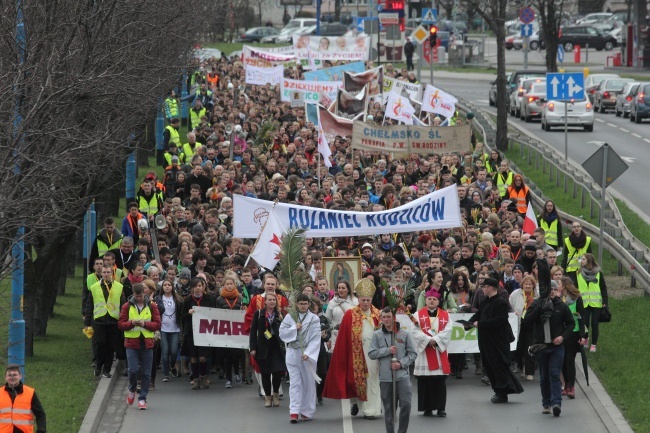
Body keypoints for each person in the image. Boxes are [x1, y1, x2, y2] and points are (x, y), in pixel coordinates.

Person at [323, 278, 382, 420]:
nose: (366, 303)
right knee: (355, 380)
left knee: (373, 379)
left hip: (373, 353)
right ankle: (357, 403)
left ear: (371, 299)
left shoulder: (377, 314)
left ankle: (371, 409)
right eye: (363, 300)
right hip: (356, 353)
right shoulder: (351, 314)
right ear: (358, 299)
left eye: (368, 300)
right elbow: (344, 337)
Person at [523, 259, 574, 417]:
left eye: (553, 289)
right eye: (548, 289)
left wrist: (562, 337)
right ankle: (546, 402)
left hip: (557, 346)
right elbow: (527, 321)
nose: (551, 292)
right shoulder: (536, 304)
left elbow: (571, 324)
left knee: (554, 374)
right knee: (544, 376)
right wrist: (539, 309)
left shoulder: (562, 306)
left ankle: (557, 403)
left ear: (557, 290)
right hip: (541, 346)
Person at [466, 277, 523, 403]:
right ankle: (498, 390)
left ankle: (502, 392)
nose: (482, 289)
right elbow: (478, 314)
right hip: (486, 339)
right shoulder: (485, 300)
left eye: (484, 287)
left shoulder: (501, 302)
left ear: (491, 288)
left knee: (499, 365)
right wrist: (469, 323)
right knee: (489, 365)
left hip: (498, 340)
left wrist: (480, 324)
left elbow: (499, 320)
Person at [368, 307, 418, 433]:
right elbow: (371, 353)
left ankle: (402, 431)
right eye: (383, 317)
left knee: (406, 405)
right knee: (389, 409)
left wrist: (401, 364)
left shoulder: (404, 334)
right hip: (385, 377)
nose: (386, 319)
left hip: (402, 376)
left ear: (394, 317)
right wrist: (387, 350)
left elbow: (413, 354)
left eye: (388, 317)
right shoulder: (377, 334)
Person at [118, 283, 162, 411]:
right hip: (132, 342)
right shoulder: (127, 306)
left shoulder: (152, 306)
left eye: (141, 296)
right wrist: (131, 323)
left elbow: (157, 324)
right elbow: (121, 324)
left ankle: (142, 398)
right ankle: (132, 389)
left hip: (147, 342)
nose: (139, 298)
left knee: (146, 373)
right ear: (133, 294)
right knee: (132, 370)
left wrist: (145, 324)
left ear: (145, 293)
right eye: (136, 296)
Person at [279, 294, 322, 423]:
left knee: (308, 383)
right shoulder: (290, 316)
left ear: (309, 304)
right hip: (292, 352)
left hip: (307, 355)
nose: (303, 306)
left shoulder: (314, 319)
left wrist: (308, 353)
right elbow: (282, 332)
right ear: (296, 304)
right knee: (295, 383)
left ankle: (307, 411)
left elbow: (316, 338)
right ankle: (294, 411)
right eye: (300, 303)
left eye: (305, 303)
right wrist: (294, 328)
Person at [411, 294, 452, 417]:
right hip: (424, 353)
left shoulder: (446, 315)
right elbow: (414, 331)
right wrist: (428, 340)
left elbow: (448, 330)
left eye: (434, 299)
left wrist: (436, 340)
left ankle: (440, 408)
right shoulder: (417, 315)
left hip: (439, 352)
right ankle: (427, 408)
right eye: (429, 299)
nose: (432, 301)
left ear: (438, 301)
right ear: (426, 300)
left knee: (439, 382)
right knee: (425, 381)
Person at [84, 264, 126, 379]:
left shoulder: (119, 287)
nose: (106, 274)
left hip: (113, 320)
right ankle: (98, 365)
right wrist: (87, 322)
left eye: (108, 272)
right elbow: (89, 305)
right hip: (99, 320)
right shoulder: (94, 287)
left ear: (112, 273)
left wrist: (123, 319)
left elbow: (123, 304)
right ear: (101, 273)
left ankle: (106, 369)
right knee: (100, 344)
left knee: (110, 346)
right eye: (104, 272)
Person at [250, 292, 287, 408]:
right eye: (269, 300)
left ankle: (275, 394)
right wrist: (253, 348)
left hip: (276, 346)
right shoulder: (259, 313)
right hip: (263, 347)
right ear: (265, 302)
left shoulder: (279, 314)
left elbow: (285, 330)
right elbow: (253, 331)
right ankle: (267, 397)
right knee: (265, 373)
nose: (272, 302)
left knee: (277, 371)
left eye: (274, 300)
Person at [180, 277, 217, 389]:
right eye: (195, 286)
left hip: (204, 332)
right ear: (192, 288)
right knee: (194, 357)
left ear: (203, 287)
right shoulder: (187, 300)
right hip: (191, 332)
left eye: (200, 286)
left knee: (202, 357)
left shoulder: (208, 299)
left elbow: (214, 313)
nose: (197, 288)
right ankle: (195, 379)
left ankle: (204, 377)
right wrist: (189, 313)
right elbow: (182, 316)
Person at [559, 276, 587, 399]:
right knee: (563, 360)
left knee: (570, 359)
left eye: (559, 284)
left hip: (574, 332)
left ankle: (571, 386)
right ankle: (565, 386)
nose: (558, 286)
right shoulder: (560, 299)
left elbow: (582, 318)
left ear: (565, 285)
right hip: (562, 333)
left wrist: (582, 335)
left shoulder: (577, 299)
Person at [576, 253, 608, 352]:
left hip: (596, 303)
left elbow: (603, 288)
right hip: (584, 303)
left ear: (589, 261)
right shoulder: (578, 273)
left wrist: (605, 301)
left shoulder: (598, 273)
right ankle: (585, 338)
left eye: (583, 259)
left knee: (594, 323)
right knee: (585, 323)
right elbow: (575, 287)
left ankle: (594, 344)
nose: (581, 261)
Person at [1, 364, 47, 433]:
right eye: (9, 375)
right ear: (5, 377)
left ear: (20, 376)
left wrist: (41, 430)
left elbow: (40, 414)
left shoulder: (30, 393)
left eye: (15, 375)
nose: (12, 377)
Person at [509, 275, 538, 381]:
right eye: (526, 284)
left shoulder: (537, 295)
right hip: (518, 323)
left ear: (533, 285)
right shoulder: (515, 294)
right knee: (519, 347)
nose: (528, 286)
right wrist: (513, 312)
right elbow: (509, 306)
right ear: (522, 285)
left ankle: (530, 372)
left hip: (532, 324)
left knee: (530, 348)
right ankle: (520, 367)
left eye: (530, 284)